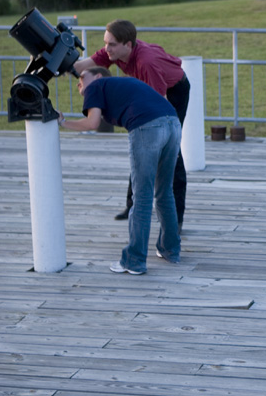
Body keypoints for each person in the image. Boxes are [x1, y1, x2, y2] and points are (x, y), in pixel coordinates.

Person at [59, 66, 182, 275]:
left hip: (148, 127)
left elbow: (92, 122)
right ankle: (170, 250)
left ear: (97, 76)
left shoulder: (96, 85)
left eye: (82, 77)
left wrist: (61, 122)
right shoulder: (118, 86)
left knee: (141, 196)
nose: (78, 82)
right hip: (173, 123)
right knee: (164, 192)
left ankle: (134, 261)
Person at [73, 20, 190, 226]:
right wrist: (50, 61)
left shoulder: (147, 62)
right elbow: (79, 67)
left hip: (172, 93)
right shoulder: (113, 52)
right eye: (105, 43)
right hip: (147, 89)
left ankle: (176, 220)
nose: (106, 48)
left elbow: (162, 107)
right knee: (141, 145)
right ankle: (132, 206)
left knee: (170, 151)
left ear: (128, 45)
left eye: (112, 44)